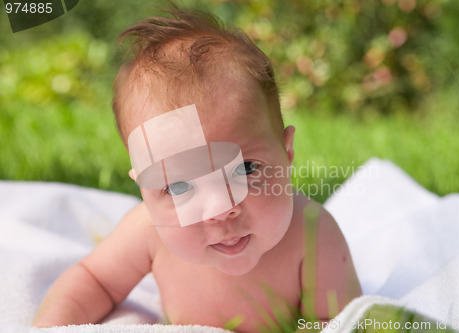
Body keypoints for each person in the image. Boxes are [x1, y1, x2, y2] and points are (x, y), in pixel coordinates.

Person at [32, 7, 361, 331]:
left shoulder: (312, 233)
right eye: (178, 186)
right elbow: (94, 281)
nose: (219, 210)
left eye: (245, 168)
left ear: (286, 152)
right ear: (144, 191)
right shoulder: (146, 232)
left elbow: (339, 322)